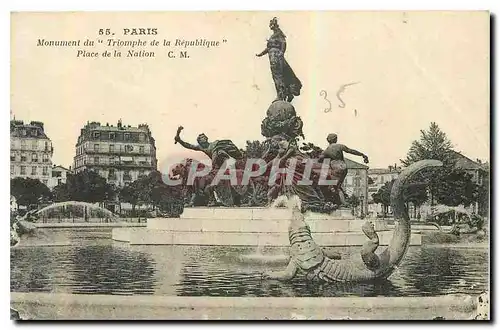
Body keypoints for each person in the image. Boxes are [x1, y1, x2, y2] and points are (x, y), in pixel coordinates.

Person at [256, 17, 302, 102]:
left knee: (278, 76)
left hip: (277, 56)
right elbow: (268, 48)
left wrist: (281, 52)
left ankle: (281, 95)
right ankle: (286, 94)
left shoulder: (278, 33)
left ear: (274, 25)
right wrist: (261, 54)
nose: (270, 26)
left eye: (271, 25)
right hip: (272, 56)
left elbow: (283, 43)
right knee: (277, 76)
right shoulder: (273, 35)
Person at [318, 133, 369, 204]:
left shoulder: (326, 150)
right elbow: (351, 151)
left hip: (336, 169)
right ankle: (342, 201)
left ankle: (340, 202)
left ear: (328, 140)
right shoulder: (340, 146)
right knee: (337, 186)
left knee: (331, 186)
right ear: (336, 139)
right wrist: (362, 155)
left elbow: (319, 160)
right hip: (344, 168)